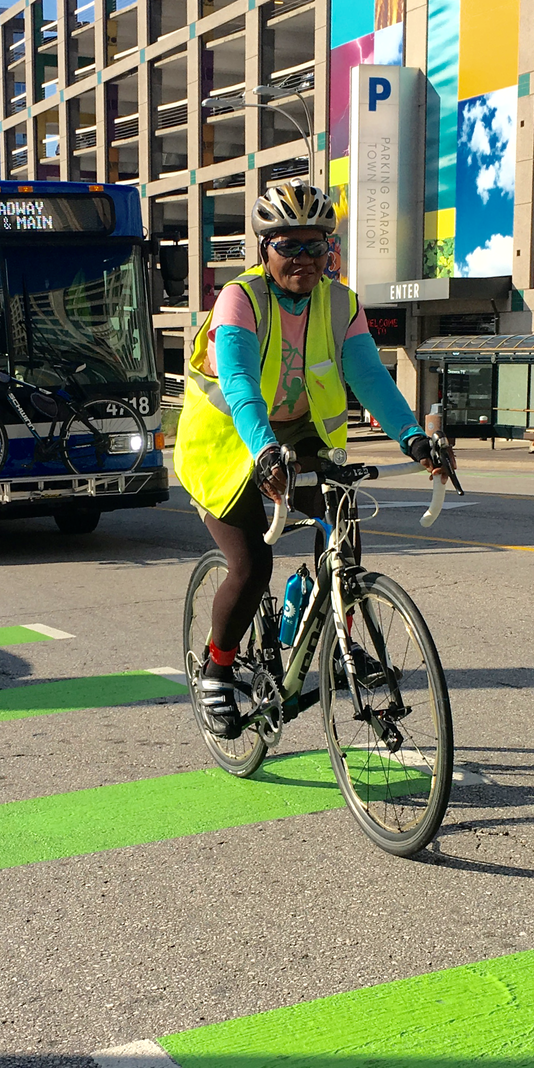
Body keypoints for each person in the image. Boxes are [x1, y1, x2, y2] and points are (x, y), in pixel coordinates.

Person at [174, 180, 436, 738]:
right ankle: (218, 672)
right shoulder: (239, 300)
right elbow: (241, 383)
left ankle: (333, 630)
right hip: (226, 446)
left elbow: (370, 377)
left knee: (342, 527)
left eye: (316, 246)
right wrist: (264, 450)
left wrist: (414, 437)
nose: (304, 259)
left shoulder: (342, 303)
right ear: (264, 249)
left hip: (301, 436)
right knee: (251, 566)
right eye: (289, 246)